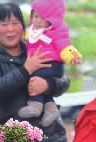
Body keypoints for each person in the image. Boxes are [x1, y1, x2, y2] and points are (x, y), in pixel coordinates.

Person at [0, 2, 71, 142]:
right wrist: (26, 69)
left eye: (15, 23)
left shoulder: (36, 46)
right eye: (3, 24)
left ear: (24, 26)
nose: (10, 29)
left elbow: (63, 79)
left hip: (52, 141)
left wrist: (48, 85)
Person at [17, 0, 82, 128]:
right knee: (36, 78)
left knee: (35, 79)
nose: (38, 21)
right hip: (40, 64)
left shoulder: (56, 31)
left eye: (43, 18)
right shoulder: (32, 31)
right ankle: (50, 107)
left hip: (52, 65)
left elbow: (64, 45)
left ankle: (35, 105)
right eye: (35, 16)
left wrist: (72, 56)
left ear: (53, 19)